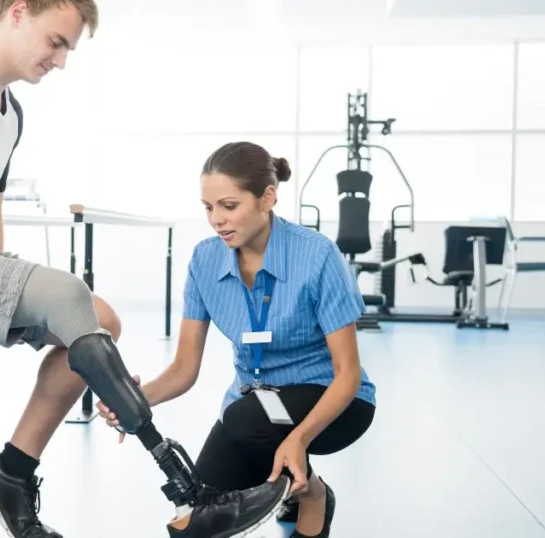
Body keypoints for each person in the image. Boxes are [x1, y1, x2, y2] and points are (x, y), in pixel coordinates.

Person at [0, 2, 292, 537]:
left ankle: (11, 472)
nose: (59, 61)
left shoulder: (8, 111)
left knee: (101, 320)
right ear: (17, 13)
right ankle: (188, 492)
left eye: (67, 49)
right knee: (70, 295)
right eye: (55, 42)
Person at [98, 141, 378, 538]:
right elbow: (183, 368)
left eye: (229, 206)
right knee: (198, 519)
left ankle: (312, 494)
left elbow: (347, 374)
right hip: (252, 411)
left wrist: (298, 439)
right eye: (208, 208)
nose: (217, 220)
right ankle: (292, 483)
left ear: (267, 198)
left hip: (330, 399)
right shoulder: (205, 260)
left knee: (245, 417)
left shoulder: (316, 255)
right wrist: (134, 401)